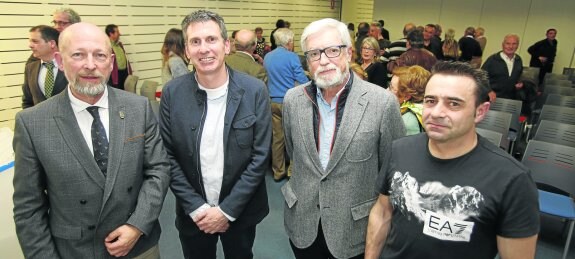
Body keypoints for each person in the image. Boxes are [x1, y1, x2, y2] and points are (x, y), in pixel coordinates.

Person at [13, 22, 170, 259]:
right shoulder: (32, 123)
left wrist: (137, 225)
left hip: (140, 246)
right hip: (75, 251)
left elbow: (158, 169)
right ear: (59, 60)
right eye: (78, 54)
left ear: (110, 61)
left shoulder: (138, 108)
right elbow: (28, 208)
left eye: (99, 55)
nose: (90, 65)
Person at [365, 61, 539, 259]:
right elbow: (382, 212)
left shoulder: (512, 179)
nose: (437, 113)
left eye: (454, 104)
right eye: (430, 101)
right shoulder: (400, 150)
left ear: (480, 112)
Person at [282, 18, 405, 259]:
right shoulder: (292, 100)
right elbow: (292, 151)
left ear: (349, 53)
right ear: (307, 61)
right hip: (303, 223)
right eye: (314, 54)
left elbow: (393, 171)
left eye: (332, 50)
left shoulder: (382, 103)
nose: (324, 60)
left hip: (354, 230)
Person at [159, 10, 271, 259]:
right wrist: (197, 208)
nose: (204, 49)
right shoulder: (172, 93)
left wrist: (226, 211)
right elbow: (167, 156)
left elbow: (260, 156)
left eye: (211, 39)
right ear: (186, 51)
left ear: (226, 45)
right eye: (195, 42)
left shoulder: (254, 91)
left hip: (241, 212)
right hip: (192, 214)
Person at [264, 27, 309, 181]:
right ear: (289, 42)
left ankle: (278, 171)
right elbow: (303, 80)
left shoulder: (267, 57)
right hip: (289, 103)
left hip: (272, 102)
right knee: (294, 137)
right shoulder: (292, 57)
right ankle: (292, 170)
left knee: (277, 138)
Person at [22, 25, 68, 108]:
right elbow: (27, 101)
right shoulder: (30, 68)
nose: (30, 45)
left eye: (35, 41)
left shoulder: (70, 66)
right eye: (30, 41)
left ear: (52, 44)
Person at [388, 65, 430, 135]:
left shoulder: (407, 121)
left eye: (391, 88)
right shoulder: (423, 108)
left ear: (406, 96)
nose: (387, 90)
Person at [481, 34, 523, 100]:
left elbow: (518, 76)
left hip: (510, 99)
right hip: (492, 99)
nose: (511, 46)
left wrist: (520, 83)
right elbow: (480, 77)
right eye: (508, 43)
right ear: (503, 45)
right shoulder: (492, 59)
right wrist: (489, 91)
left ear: (517, 45)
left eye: (514, 44)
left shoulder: (518, 60)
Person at [105, 24, 132, 90]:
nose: (119, 34)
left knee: (125, 93)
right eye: (117, 32)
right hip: (115, 75)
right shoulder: (106, 46)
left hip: (124, 73)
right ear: (111, 34)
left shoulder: (120, 45)